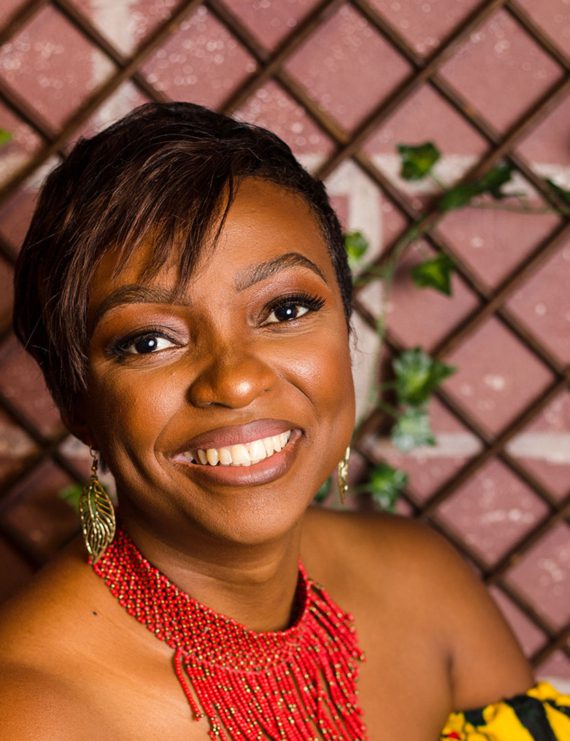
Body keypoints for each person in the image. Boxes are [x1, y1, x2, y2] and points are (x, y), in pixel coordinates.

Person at [0, 102, 568, 740]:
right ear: (77, 403)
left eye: (285, 309)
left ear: (346, 329)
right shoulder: (30, 712)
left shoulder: (425, 584)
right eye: (149, 341)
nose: (236, 380)